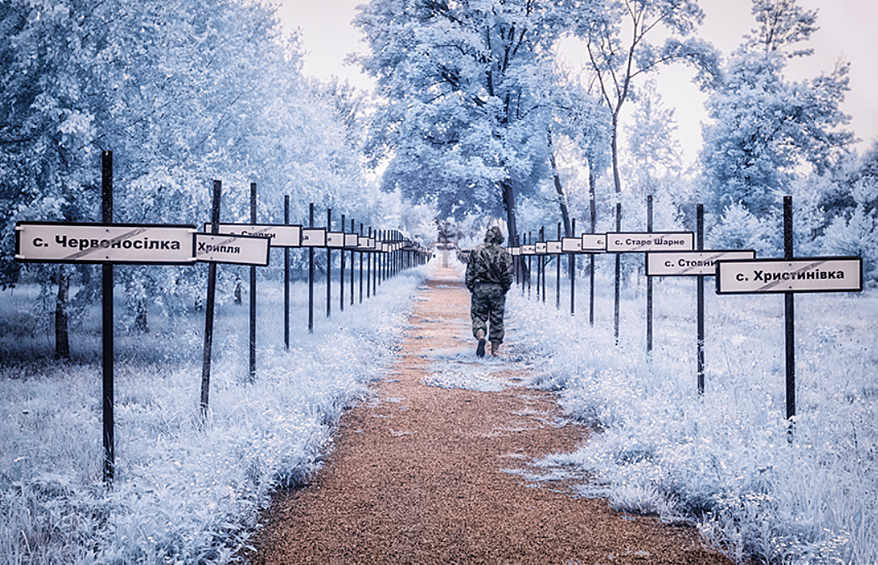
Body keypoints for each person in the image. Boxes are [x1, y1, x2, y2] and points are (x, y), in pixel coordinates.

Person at [465, 226, 514, 357]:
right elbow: (508, 274)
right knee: (497, 319)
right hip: (497, 289)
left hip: (480, 288)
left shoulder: (476, 251)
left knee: (478, 316)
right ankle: (495, 351)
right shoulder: (504, 253)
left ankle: (481, 337)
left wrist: (472, 287)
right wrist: (504, 288)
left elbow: (470, 272)